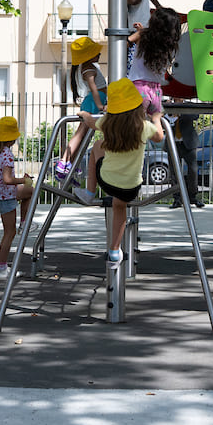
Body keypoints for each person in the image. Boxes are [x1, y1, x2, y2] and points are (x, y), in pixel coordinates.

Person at [72, 78, 164, 264]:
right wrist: (156, 118)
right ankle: (115, 250)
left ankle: (89, 192)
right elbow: (159, 137)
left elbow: (90, 121)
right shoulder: (143, 127)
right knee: (120, 208)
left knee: (97, 146)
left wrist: (83, 112)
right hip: (131, 187)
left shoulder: (108, 122)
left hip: (107, 181)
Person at [0, 116, 35, 278]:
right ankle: (2, 268)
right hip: (6, 196)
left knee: (30, 191)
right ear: (13, 137)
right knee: (9, 233)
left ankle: (24, 222)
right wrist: (24, 180)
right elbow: (7, 179)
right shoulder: (7, 154)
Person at [55, 36, 106, 180]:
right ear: (88, 56)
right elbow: (94, 89)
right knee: (80, 134)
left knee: (83, 137)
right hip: (93, 102)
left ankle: (70, 164)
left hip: (94, 102)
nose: (99, 54)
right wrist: (100, 106)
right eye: (95, 52)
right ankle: (64, 161)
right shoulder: (88, 69)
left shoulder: (90, 67)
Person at [126, 6, 181, 129]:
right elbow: (156, 41)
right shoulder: (171, 45)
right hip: (155, 90)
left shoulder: (143, 35)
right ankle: (159, 140)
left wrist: (138, 34)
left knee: (134, 127)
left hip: (138, 87)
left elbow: (124, 43)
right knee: (155, 124)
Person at [170, 114, 203, 208]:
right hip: (173, 143)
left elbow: (195, 116)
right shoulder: (167, 106)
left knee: (193, 170)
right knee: (174, 172)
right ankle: (177, 199)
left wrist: (180, 113)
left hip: (188, 143)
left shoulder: (187, 105)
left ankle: (193, 197)